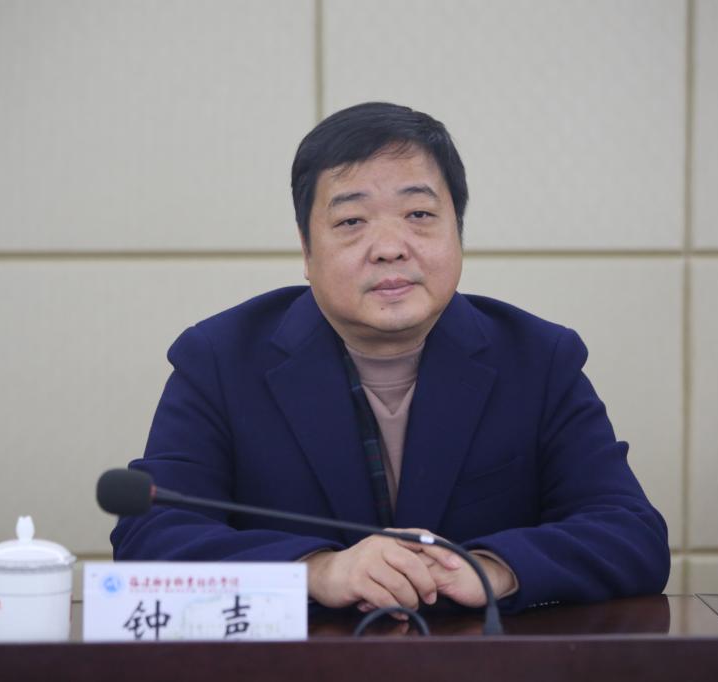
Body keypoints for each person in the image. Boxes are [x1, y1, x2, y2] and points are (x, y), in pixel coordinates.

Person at [111, 102, 670, 615]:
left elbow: (630, 534)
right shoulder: (219, 360)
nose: (389, 247)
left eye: (419, 214)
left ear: (458, 233)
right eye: (351, 222)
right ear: (306, 249)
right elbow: (149, 536)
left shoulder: (539, 360)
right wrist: (316, 571)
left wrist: (492, 569)